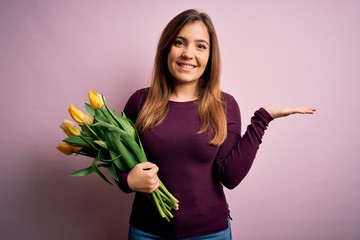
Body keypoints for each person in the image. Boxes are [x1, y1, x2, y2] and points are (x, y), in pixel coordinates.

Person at [116, 9, 316, 240]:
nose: (188, 53)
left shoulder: (225, 105)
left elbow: (230, 177)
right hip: (147, 232)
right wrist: (128, 181)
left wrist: (263, 119)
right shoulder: (140, 102)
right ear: (166, 48)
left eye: (200, 46)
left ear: (210, 56)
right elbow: (115, 160)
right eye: (180, 42)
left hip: (210, 233)